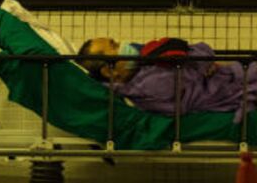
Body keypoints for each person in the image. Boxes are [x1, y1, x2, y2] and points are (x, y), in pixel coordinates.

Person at [78, 35, 257, 117]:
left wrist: (200, 60)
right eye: (115, 45)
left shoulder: (144, 65)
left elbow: (203, 50)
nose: (124, 44)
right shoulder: (147, 85)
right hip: (233, 87)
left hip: (234, 77)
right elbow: (196, 63)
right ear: (109, 71)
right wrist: (201, 61)